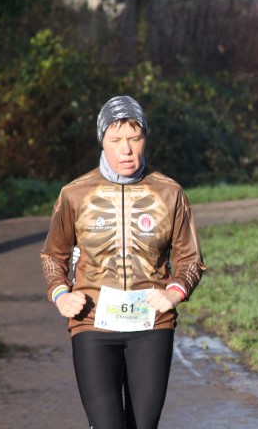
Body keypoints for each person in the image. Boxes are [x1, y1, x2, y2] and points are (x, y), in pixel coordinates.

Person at [41, 95, 206, 429]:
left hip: (151, 325)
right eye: (115, 140)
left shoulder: (170, 192)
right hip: (93, 323)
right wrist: (61, 294)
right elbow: (53, 255)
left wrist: (174, 293)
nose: (126, 149)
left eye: (135, 138)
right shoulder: (74, 193)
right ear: (102, 141)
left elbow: (190, 258)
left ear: (145, 139)